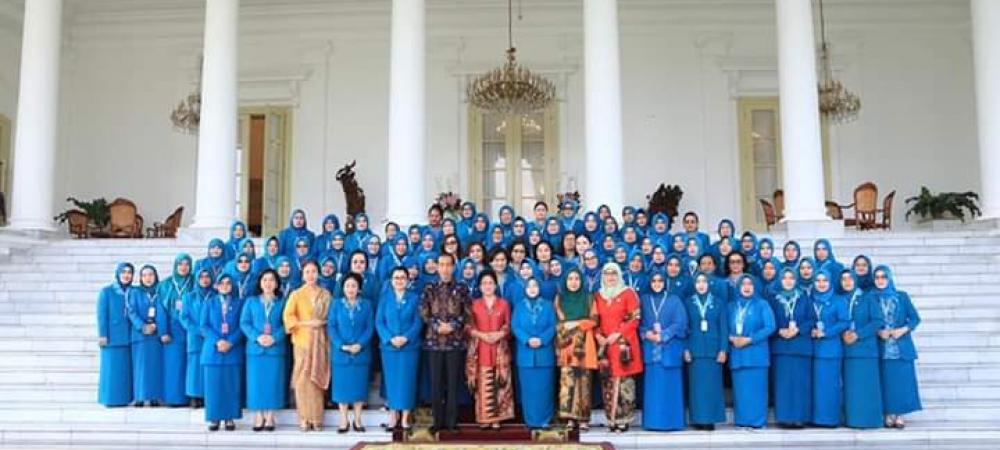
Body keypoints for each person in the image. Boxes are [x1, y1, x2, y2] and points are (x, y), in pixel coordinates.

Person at [420, 253, 471, 433]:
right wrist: (436, 325)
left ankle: (451, 422)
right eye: (441, 265)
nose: (445, 268)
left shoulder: (462, 288)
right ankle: (437, 422)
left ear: (453, 266)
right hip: (434, 343)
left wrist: (452, 326)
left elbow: (467, 313)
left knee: (453, 384)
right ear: (437, 267)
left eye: (448, 265)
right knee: (435, 383)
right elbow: (424, 311)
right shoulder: (429, 288)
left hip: (455, 343)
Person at [282, 260, 332, 431]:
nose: (311, 275)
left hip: (320, 343)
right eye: (307, 272)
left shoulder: (325, 294)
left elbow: (331, 319)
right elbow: (288, 318)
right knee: (303, 380)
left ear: (318, 273)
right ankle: (304, 418)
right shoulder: (296, 295)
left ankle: (317, 418)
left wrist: (319, 323)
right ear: (303, 275)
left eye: (313, 271)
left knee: (317, 380)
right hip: (302, 342)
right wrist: (308, 324)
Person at [870, 265, 922, 429]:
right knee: (886, 383)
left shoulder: (901, 296)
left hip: (901, 347)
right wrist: (878, 331)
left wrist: (903, 330)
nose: (880, 280)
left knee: (901, 383)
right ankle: (888, 413)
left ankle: (899, 415)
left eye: (883, 277)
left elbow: (915, 319)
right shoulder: (870, 297)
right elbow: (866, 320)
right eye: (877, 277)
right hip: (882, 347)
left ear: (889, 278)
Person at [594, 263, 643, 433]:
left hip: (623, 344)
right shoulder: (598, 296)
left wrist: (619, 333)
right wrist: (598, 335)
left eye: (614, 273)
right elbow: (595, 320)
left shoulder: (628, 293)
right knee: (608, 383)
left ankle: (624, 419)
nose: (610, 277)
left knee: (624, 384)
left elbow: (635, 318)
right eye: (607, 273)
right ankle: (611, 419)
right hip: (606, 346)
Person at [466, 270, 515, 430]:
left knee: (499, 384)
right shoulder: (474, 304)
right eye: (484, 283)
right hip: (481, 349)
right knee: (484, 384)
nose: (487, 286)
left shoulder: (504, 303)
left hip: (500, 350)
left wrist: (500, 334)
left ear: (495, 285)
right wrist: (481, 335)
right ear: (479, 286)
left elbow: (509, 325)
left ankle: (498, 419)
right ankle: (485, 418)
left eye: (490, 283)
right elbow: (468, 327)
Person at [639, 271, 688, 431]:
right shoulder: (644, 300)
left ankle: (672, 422)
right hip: (651, 348)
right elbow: (637, 321)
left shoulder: (674, 300)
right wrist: (647, 333)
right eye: (654, 280)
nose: (657, 283)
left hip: (670, 349)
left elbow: (681, 322)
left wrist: (664, 335)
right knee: (654, 391)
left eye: (660, 280)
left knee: (670, 389)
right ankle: (653, 422)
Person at [240, 269, 288, 432]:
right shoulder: (251, 301)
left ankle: (270, 416)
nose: (268, 283)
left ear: (276, 283)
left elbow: (287, 324)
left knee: (272, 383)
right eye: (265, 280)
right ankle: (258, 415)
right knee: (256, 384)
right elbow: (244, 323)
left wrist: (275, 337)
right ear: (260, 283)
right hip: (256, 349)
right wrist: (257, 337)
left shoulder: (282, 302)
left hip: (275, 349)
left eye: (271, 280)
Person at [376, 267, 423, 431]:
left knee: (407, 381)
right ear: (391, 280)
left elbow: (418, 321)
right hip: (389, 348)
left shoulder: (415, 298)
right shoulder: (384, 298)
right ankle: (393, 416)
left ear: (408, 280)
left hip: (409, 347)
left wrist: (406, 337)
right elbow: (379, 322)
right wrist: (390, 338)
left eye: (402, 278)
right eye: (396, 278)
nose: (399, 281)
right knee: (391, 382)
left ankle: (405, 418)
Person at [329, 273, 375, 434]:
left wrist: (359, 344)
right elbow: (332, 327)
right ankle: (343, 420)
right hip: (341, 353)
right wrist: (342, 346)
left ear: (359, 288)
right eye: (347, 285)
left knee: (359, 388)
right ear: (343, 288)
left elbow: (369, 328)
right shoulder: (336, 305)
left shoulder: (367, 305)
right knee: (341, 389)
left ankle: (357, 419)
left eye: (354, 286)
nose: (350, 289)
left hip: (360, 352)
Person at [728, 274, 775, 429]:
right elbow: (724, 326)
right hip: (738, 353)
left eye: (750, 284)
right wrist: (731, 338)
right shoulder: (731, 306)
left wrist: (750, 339)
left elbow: (770, 327)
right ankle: (742, 420)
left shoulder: (762, 304)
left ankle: (757, 421)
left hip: (756, 354)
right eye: (743, 284)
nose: (746, 287)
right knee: (741, 391)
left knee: (757, 390)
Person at [769, 267, 814, 428]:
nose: (788, 281)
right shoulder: (773, 298)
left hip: (800, 346)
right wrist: (779, 330)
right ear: (780, 280)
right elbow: (768, 320)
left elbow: (811, 319)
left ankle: (800, 417)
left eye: (791, 278)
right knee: (784, 385)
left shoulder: (804, 297)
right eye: (785, 278)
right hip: (781, 347)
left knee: (801, 384)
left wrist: (799, 329)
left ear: (796, 280)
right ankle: (785, 418)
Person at [839, 270, 885, 429]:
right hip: (847, 351)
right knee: (853, 390)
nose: (847, 282)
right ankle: (853, 420)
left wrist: (858, 334)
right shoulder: (840, 299)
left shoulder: (867, 297)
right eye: (843, 279)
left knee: (867, 387)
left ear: (856, 280)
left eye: (850, 278)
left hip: (865, 350)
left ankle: (870, 420)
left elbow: (878, 320)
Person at [554, 267, 598, 431]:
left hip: (584, 345)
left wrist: (577, 324)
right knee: (567, 381)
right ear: (565, 281)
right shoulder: (560, 298)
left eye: (577, 279)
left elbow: (594, 320)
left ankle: (583, 418)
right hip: (567, 344)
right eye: (570, 279)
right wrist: (567, 326)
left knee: (584, 382)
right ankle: (569, 418)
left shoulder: (588, 298)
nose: (573, 282)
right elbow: (558, 322)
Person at [199, 273, 244, 431]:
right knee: (214, 387)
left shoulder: (239, 303)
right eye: (222, 283)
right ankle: (214, 418)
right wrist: (218, 341)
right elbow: (204, 326)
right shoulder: (209, 303)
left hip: (232, 350)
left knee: (230, 386)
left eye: (228, 283)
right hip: (213, 350)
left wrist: (230, 341)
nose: (225, 286)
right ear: (216, 286)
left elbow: (242, 326)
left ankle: (230, 418)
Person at [683, 273, 728, 430]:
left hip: (713, 350)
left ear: (709, 284)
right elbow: (685, 327)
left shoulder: (718, 302)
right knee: (697, 388)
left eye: (704, 281)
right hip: (695, 350)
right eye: (698, 282)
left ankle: (711, 419)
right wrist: (686, 348)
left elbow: (723, 327)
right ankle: (698, 419)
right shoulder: (688, 302)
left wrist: (723, 349)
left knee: (712, 387)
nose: (701, 284)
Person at [512, 277, 557, 430]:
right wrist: (527, 339)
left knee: (545, 389)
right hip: (526, 354)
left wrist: (542, 339)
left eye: (535, 285)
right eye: (529, 286)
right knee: (528, 390)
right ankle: (530, 421)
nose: (532, 289)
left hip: (545, 354)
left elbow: (553, 325)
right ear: (525, 288)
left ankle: (545, 420)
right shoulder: (519, 306)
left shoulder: (548, 305)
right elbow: (515, 326)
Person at [811, 269, 850, 427]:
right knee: (817, 387)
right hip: (813, 349)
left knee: (830, 385)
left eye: (824, 281)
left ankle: (830, 419)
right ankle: (817, 418)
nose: (821, 284)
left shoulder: (838, 300)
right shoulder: (810, 299)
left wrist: (826, 332)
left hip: (831, 349)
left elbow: (844, 322)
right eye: (818, 280)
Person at [127, 265, 169, 407]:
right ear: (140, 278)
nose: (148, 278)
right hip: (140, 336)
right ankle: (139, 396)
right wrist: (143, 326)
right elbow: (132, 312)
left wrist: (159, 329)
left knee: (154, 367)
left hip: (155, 336)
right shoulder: (135, 292)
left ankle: (153, 397)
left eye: (151, 274)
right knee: (140, 367)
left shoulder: (159, 292)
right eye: (144, 275)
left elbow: (163, 312)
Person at [97, 262, 134, 407]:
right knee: (111, 370)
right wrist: (103, 334)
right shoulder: (107, 292)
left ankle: (124, 398)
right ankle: (110, 399)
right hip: (112, 338)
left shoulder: (133, 291)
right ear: (118, 274)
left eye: (129, 272)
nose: (126, 275)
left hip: (128, 337)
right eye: (123, 272)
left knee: (123, 371)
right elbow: (102, 315)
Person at [160, 254, 193, 407]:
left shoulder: (194, 281)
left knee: (189, 364)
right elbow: (161, 310)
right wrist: (163, 331)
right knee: (174, 364)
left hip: (190, 328)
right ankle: (173, 398)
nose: (183, 267)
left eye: (186, 264)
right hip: (172, 329)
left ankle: (190, 396)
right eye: (180, 264)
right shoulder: (166, 284)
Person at [182, 269, 214, 408]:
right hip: (195, 337)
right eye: (201, 277)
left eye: (207, 276)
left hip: (211, 337)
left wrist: (210, 332)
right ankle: (194, 396)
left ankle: (207, 395)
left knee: (208, 367)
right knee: (194, 368)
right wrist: (197, 330)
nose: (205, 279)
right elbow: (184, 317)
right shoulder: (189, 297)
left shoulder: (215, 296)